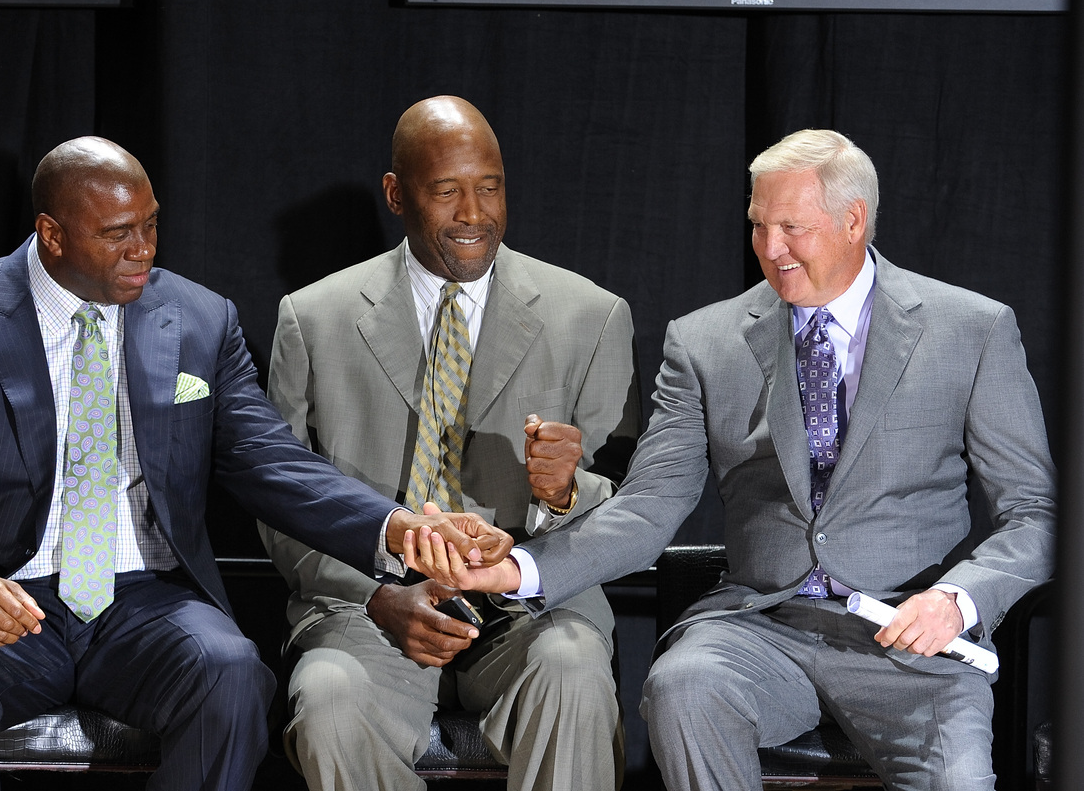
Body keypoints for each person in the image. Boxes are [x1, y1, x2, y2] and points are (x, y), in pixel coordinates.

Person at [0, 135, 509, 791]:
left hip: (145, 599)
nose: (145, 249)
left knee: (231, 671)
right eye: (119, 233)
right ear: (52, 234)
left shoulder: (198, 318)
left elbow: (271, 460)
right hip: (6, 597)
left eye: (152, 223)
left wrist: (400, 529)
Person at [410, 129, 1057, 790]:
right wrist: (519, 568)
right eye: (758, 225)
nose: (770, 250)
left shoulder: (972, 330)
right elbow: (650, 506)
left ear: (853, 219)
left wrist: (958, 598)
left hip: (908, 639)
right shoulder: (704, 342)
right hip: (760, 628)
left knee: (960, 778)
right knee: (682, 686)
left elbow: (1038, 515)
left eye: (792, 228)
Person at [258, 95, 641, 791]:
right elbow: (282, 497)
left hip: (531, 608)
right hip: (369, 609)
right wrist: (376, 595)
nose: (474, 214)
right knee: (328, 699)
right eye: (447, 191)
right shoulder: (312, 320)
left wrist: (559, 495)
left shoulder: (591, 316)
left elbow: (628, 508)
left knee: (575, 667)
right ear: (396, 194)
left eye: (489, 188)